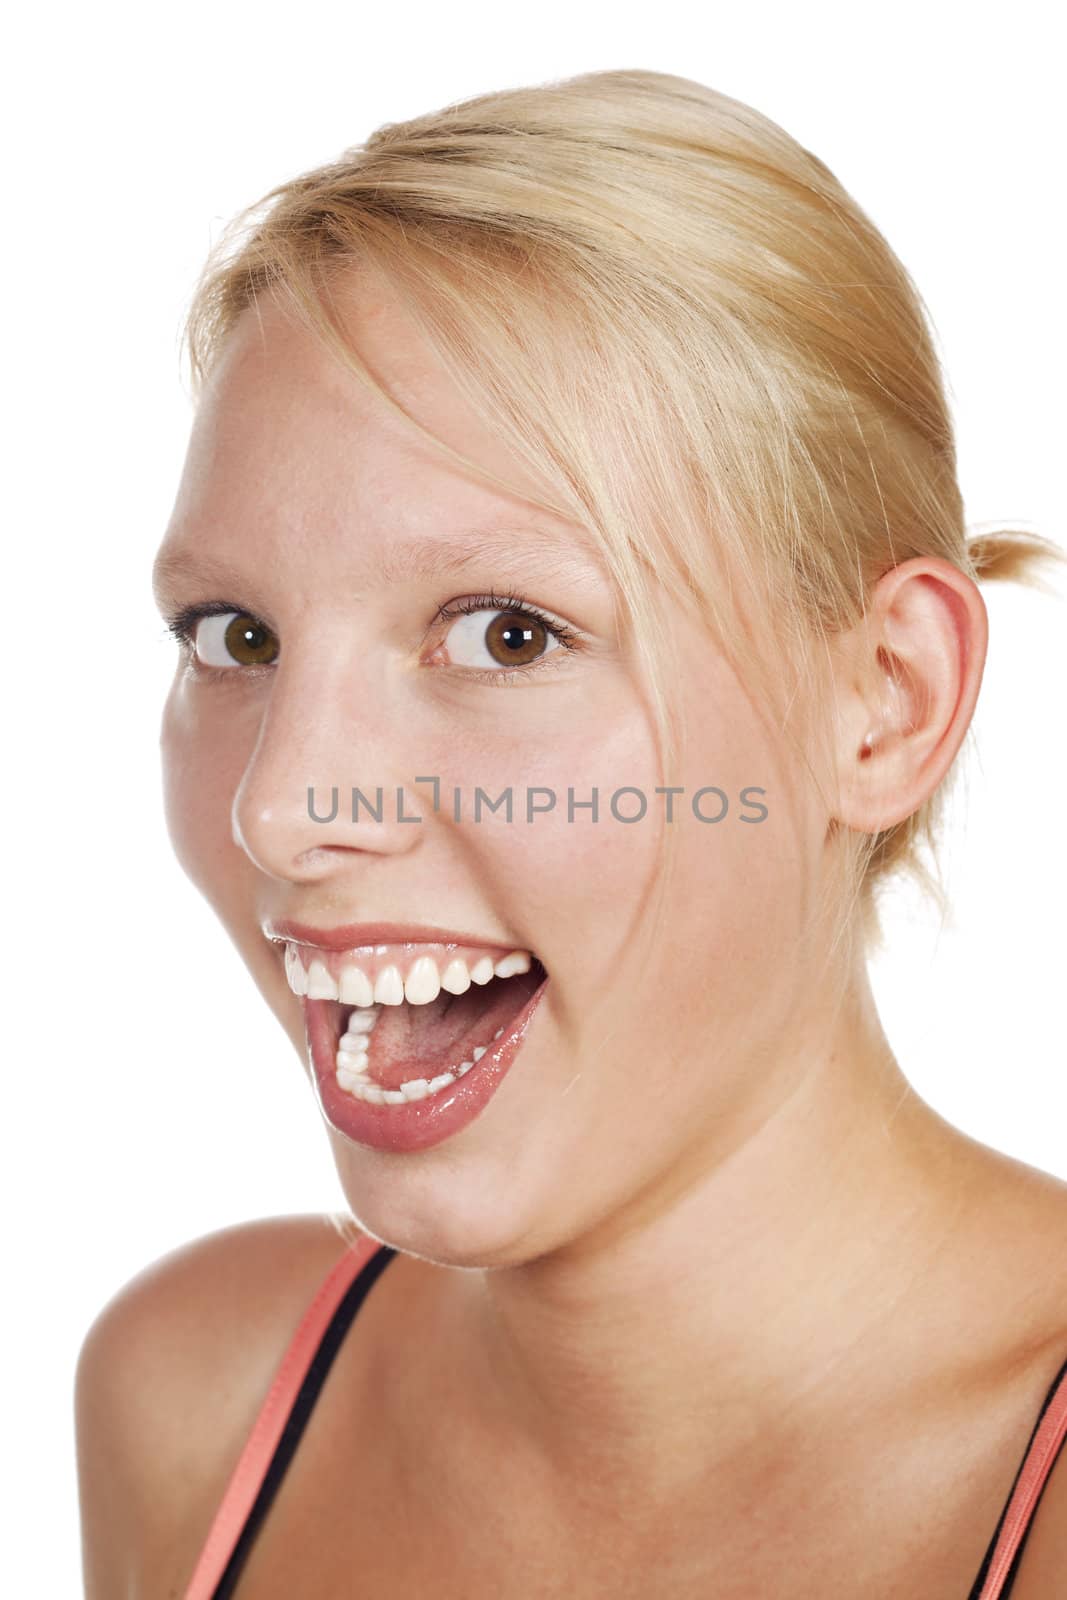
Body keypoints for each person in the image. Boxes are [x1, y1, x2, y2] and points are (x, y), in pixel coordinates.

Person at [74, 68, 1067, 1597]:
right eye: (237, 637)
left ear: (883, 703)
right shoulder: (193, 1404)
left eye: (508, 636)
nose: (279, 809)